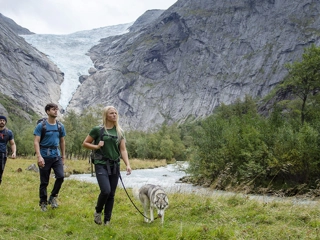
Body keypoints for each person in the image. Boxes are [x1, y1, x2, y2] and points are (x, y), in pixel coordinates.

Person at [82, 106, 132, 226]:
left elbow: (123, 150)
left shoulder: (120, 132)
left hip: (115, 165)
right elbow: (85, 143)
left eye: (115, 113)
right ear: (106, 115)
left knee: (112, 194)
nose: (114, 115)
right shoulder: (97, 130)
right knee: (106, 190)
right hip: (101, 164)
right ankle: (98, 211)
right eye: (111, 113)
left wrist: (128, 165)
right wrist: (97, 147)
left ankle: (107, 221)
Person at [34, 103, 66, 212]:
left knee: (61, 176)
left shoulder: (60, 126)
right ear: (48, 111)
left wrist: (63, 156)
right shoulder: (41, 126)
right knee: (44, 181)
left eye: (57, 109)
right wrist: (39, 156)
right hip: (44, 155)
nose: (56, 111)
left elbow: (62, 141)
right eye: (53, 109)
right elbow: (36, 141)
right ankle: (43, 202)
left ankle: (53, 197)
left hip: (56, 155)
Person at [0, 115, 16, 185]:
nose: (2, 122)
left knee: (0, 172)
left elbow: (12, 144)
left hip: (2, 154)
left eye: (3, 121)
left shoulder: (8, 132)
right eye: (0, 120)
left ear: (5, 122)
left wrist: (14, 152)